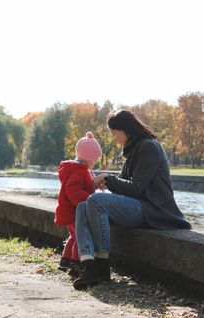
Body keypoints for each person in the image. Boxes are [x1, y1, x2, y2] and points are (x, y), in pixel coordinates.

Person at [73, 109, 191, 290]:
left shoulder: (149, 147)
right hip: (139, 206)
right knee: (82, 206)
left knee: (95, 201)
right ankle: (88, 265)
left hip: (153, 209)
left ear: (125, 130)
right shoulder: (135, 148)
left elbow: (136, 188)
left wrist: (107, 180)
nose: (114, 139)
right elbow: (122, 183)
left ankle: (102, 265)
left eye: (114, 134)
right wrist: (108, 181)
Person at [55, 131, 102, 276]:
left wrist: (95, 185)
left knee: (73, 236)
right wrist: (89, 200)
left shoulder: (80, 170)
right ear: (89, 160)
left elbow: (86, 184)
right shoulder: (78, 172)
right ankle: (76, 263)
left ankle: (65, 259)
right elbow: (73, 190)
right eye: (95, 160)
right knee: (79, 236)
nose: (95, 163)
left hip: (68, 211)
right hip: (73, 211)